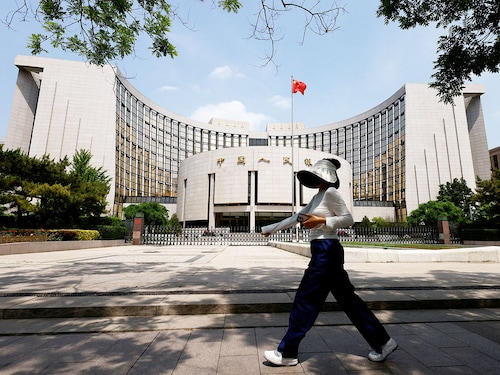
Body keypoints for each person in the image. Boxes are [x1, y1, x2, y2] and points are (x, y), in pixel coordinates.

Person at [261, 158, 397, 366]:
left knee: (305, 300)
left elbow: (348, 219)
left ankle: (287, 352)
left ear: (326, 175)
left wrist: (323, 221)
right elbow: (297, 217)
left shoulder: (331, 193)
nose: (314, 178)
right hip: (323, 251)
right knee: (348, 301)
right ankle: (383, 342)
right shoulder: (318, 196)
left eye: (317, 175)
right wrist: (270, 229)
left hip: (326, 251)